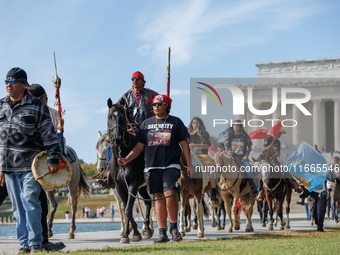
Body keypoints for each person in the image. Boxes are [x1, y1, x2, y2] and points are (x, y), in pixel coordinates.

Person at [0, 67, 61, 254]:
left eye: (13, 80)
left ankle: (35, 242)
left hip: (30, 165)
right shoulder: (0, 105)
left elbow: (50, 136)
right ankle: (25, 244)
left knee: (30, 200)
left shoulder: (36, 105)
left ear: (24, 84)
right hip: (9, 167)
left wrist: (53, 159)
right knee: (17, 207)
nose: (8, 84)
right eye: (6, 81)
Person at [118, 94, 191, 243]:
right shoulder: (146, 124)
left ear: (166, 106)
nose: (156, 106)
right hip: (151, 166)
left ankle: (174, 229)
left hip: (171, 164)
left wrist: (189, 165)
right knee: (158, 197)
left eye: (159, 104)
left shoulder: (176, 122)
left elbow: (185, 144)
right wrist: (127, 159)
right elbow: (139, 147)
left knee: (170, 193)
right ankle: (162, 233)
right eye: (154, 104)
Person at [97, 71, 158, 187]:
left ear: (143, 82)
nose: (135, 80)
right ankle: (108, 174)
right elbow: (115, 109)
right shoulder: (126, 96)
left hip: (147, 130)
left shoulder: (152, 94)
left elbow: (162, 103)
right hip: (130, 130)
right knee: (113, 142)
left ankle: (158, 172)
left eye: (138, 79)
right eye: (133, 79)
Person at [258, 131, 302, 202]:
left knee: (284, 171)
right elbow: (262, 149)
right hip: (266, 160)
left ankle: (295, 184)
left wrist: (276, 155)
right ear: (276, 133)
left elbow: (278, 153)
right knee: (261, 174)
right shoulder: (268, 139)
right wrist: (267, 148)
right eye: (279, 133)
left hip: (274, 160)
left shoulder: (278, 142)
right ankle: (260, 191)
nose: (280, 135)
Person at [188, 117, 217, 201]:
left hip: (203, 155)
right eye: (194, 123)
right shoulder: (189, 133)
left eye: (197, 123)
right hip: (192, 154)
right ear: (191, 124)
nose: (195, 125)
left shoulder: (205, 134)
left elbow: (207, 146)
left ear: (200, 124)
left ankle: (214, 189)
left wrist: (196, 145)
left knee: (209, 168)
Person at [225, 120, 257, 195]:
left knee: (249, 171)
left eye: (238, 125)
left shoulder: (245, 136)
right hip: (232, 159)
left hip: (243, 159)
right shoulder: (230, 136)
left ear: (240, 126)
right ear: (233, 126)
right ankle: (223, 189)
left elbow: (249, 148)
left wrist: (246, 156)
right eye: (234, 125)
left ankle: (253, 187)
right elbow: (227, 147)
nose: (236, 127)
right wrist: (227, 152)